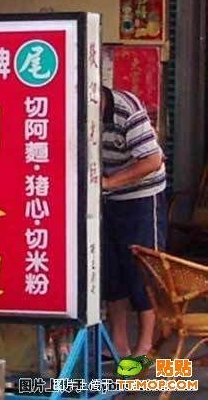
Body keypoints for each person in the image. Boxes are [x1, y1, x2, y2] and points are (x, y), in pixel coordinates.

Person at [101, 86, 167, 358]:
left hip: (141, 196)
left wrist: (109, 183)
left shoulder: (125, 109)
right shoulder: (75, 111)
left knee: (142, 270)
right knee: (111, 271)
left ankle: (144, 346)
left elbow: (153, 160)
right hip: (106, 199)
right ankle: (118, 344)